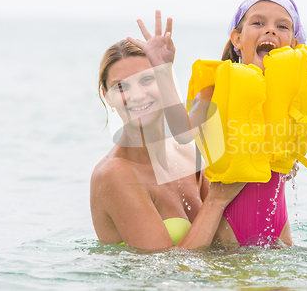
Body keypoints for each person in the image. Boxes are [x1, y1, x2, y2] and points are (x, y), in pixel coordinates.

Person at [128, 0, 307, 247]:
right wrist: (162, 69)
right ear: (237, 39)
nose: (270, 30)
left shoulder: (296, 96)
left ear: (294, 44)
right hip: (227, 235)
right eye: (258, 22)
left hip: (279, 234)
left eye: (283, 26)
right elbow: (182, 132)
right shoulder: (218, 90)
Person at [90, 39, 245, 250]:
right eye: (121, 86)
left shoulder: (189, 154)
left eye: (146, 80)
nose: (137, 95)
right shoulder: (114, 175)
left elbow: (227, 242)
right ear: (106, 95)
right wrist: (216, 200)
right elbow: (164, 269)